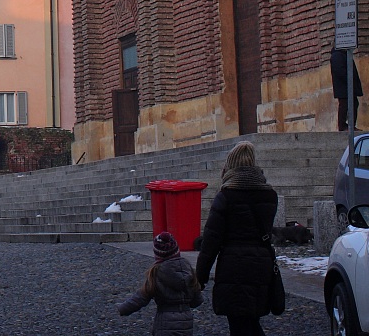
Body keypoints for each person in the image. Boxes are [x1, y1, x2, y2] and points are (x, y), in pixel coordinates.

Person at [195, 141, 280, 336]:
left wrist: (200, 278)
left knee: (239, 325)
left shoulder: (225, 196)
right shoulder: (270, 195)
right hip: (261, 264)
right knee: (251, 321)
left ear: (230, 166)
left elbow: (211, 242)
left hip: (233, 268)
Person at [118, 231, 203, 335]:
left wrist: (122, 309)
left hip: (165, 322)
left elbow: (140, 298)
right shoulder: (189, 270)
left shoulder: (156, 273)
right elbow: (197, 301)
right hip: (186, 322)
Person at [331, 48, 363, 131]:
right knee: (344, 105)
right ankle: (342, 126)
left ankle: (351, 126)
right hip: (343, 86)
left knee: (354, 103)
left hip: (348, 85)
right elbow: (340, 71)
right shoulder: (337, 55)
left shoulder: (344, 54)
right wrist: (349, 80)